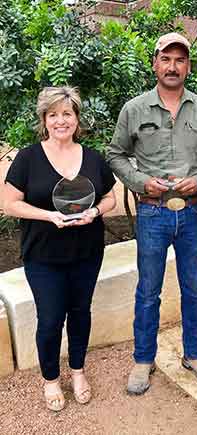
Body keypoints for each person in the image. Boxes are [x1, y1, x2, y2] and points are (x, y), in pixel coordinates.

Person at [108, 32, 197, 395]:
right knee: (148, 291)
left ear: (188, 66)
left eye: (180, 60)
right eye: (166, 59)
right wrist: (142, 182)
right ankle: (144, 360)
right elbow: (115, 154)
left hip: (191, 213)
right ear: (155, 64)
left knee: (193, 287)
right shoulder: (134, 109)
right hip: (152, 213)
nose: (173, 66)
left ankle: (196, 354)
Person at [3, 86, 116, 411]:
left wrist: (95, 211)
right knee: (51, 319)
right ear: (44, 120)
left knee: (81, 313)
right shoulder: (28, 158)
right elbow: (9, 204)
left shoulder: (92, 157)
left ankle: (78, 372)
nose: (60, 120)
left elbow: (108, 196)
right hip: (43, 256)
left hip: (87, 252)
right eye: (53, 114)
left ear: (77, 119)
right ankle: (51, 380)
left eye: (67, 113)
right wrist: (48, 216)